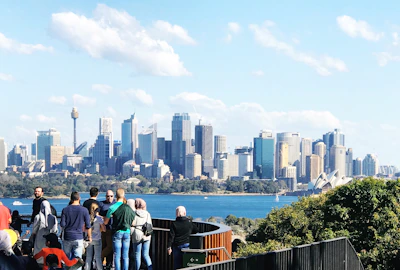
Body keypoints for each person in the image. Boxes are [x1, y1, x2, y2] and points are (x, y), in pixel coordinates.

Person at [104, 188, 135, 270]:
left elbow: (106, 222)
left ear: (116, 196)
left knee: (117, 255)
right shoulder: (129, 208)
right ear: (124, 195)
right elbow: (133, 222)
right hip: (127, 232)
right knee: (125, 255)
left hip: (117, 232)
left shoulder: (113, 207)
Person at [60, 191, 91, 270]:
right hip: (78, 237)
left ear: (71, 199)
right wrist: (89, 237)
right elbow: (88, 225)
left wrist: (61, 233)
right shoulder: (84, 210)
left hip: (67, 236)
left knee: (66, 259)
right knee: (78, 260)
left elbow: (62, 224)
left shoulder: (65, 210)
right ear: (79, 198)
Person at [167, 206, 199, 270]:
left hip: (177, 246)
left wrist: (169, 247)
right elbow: (196, 230)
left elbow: (171, 236)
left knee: (177, 265)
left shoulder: (174, 224)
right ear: (184, 213)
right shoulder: (189, 223)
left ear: (176, 214)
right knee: (186, 264)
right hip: (187, 245)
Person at [131, 198, 153, 270]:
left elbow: (132, 224)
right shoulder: (147, 214)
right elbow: (150, 225)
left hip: (137, 234)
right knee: (146, 254)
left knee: (137, 255)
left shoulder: (133, 213)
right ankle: (150, 268)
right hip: (146, 235)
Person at [85, 202, 105, 270]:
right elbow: (104, 229)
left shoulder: (87, 218)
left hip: (89, 239)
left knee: (88, 258)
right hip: (97, 239)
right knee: (98, 258)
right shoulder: (99, 218)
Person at [99, 190, 115, 269]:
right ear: (105, 196)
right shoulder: (101, 204)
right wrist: (105, 218)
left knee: (110, 248)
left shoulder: (115, 204)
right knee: (103, 246)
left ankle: (109, 264)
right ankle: (100, 264)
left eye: (111, 196)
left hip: (112, 229)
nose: (109, 198)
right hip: (103, 229)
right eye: (108, 196)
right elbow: (97, 215)